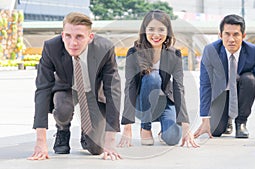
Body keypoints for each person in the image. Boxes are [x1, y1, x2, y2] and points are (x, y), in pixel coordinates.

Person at [28, 12, 122, 160]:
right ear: (62, 34)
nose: (73, 43)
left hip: (93, 92)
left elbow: (113, 91)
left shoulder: (105, 48)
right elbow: (42, 89)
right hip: (66, 89)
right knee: (62, 109)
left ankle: (88, 135)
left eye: (79, 36)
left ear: (90, 37)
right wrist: (40, 141)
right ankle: (63, 130)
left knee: (96, 148)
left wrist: (110, 141)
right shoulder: (51, 47)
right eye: (68, 36)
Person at [194, 14, 255, 140]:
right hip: (221, 94)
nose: (231, 39)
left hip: (241, 92)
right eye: (227, 34)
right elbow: (205, 85)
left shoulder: (254, 52)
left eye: (236, 34)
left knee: (250, 79)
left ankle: (241, 122)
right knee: (216, 131)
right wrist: (205, 119)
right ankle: (226, 121)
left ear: (243, 36)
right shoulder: (210, 51)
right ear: (220, 35)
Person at [118, 10, 199, 148]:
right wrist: (127, 126)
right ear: (144, 30)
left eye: (161, 29)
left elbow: (178, 87)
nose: (156, 34)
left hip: (165, 103)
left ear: (167, 31)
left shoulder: (174, 54)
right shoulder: (134, 52)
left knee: (173, 138)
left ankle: (163, 132)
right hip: (142, 104)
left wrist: (185, 125)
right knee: (153, 78)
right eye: (151, 29)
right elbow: (130, 87)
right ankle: (145, 127)